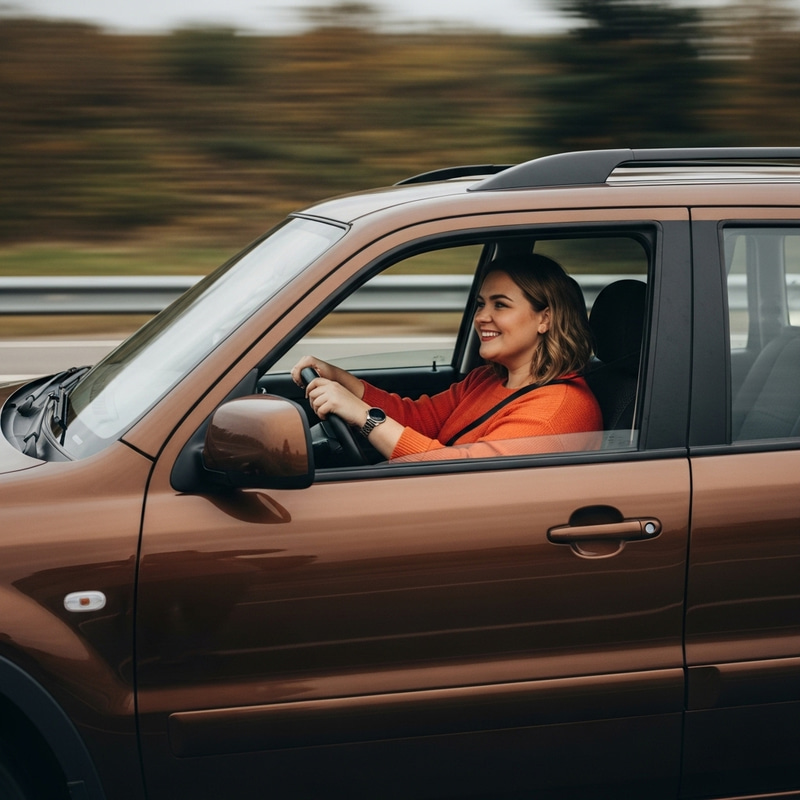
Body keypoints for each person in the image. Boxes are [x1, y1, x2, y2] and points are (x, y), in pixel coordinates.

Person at [292, 253, 602, 461]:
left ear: (544, 319)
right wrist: (340, 380)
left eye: (500, 305)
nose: (482, 318)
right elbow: (418, 419)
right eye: (481, 304)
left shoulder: (558, 410)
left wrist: (364, 416)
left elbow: (465, 472)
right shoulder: (487, 379)